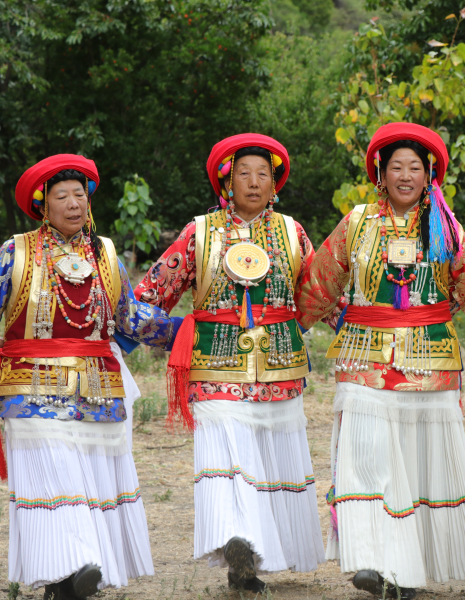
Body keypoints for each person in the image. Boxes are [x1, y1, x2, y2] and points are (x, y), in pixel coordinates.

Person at [0, 154, 178, 599]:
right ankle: (69, 570)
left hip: (97, 388)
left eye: (80, 194)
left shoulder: (105, 254)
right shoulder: (15, 253)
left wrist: (189, 333)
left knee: (90, 480)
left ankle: (70, 580)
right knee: (53, 477)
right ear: (44, 205)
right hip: (30, 389)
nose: (74, 203)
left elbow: (130, 317)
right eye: (62, 196)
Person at [296, 122, 465, 599]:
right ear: (380, 174)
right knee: (365, 461)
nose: (405, 175)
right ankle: (373, 561)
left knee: (415, 466)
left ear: (429, 174)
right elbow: (321, 280)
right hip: (365, 360)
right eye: (396, 167)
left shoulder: (445, 228)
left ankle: (407, 571)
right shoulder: (358, 222)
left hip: (430, 364)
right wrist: (293, 326)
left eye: (415, 167)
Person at [134, 134, 325, 593]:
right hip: (214, 365)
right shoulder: (200, 233)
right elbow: (148, 296)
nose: (255, 182)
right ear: (227, 181)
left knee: (269, 459)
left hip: (278, 369)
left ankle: (255, 558)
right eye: (244, 173)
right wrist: (177, 333)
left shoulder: (292, 233)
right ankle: (237, 548)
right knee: (226, 452)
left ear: (275, 182)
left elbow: (319, 296)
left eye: (264, 174)